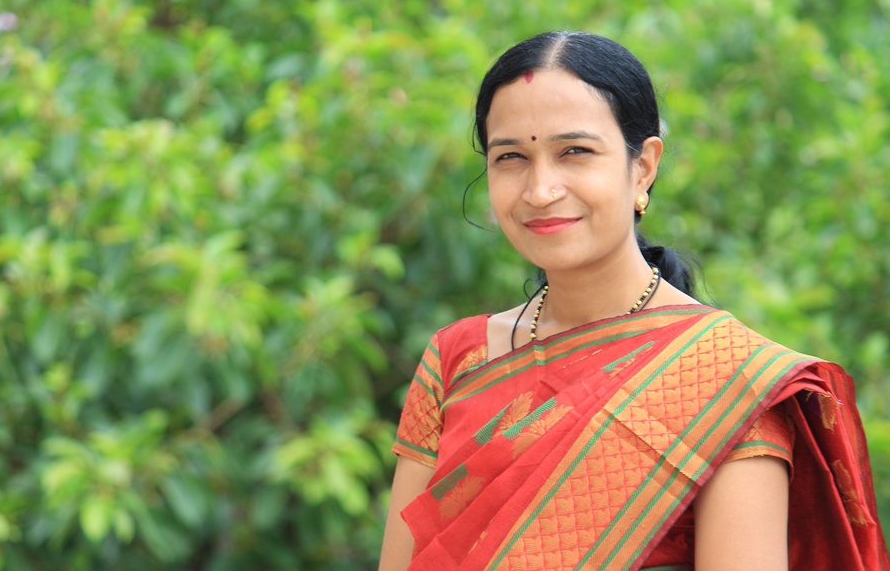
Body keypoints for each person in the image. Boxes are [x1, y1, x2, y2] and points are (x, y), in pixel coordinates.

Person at [379, 31, 889, 571]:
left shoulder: (725, 383)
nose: (540, 189)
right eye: (511, 157)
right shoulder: (457, 359)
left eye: (574, 151)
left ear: (643, 166)